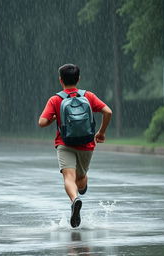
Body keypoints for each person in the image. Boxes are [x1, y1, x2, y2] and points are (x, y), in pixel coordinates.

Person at [38, 64, 112, 228]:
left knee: (69, 178)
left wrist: (54, 117)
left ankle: (75, 200)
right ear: (78, 79)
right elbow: (108, 112)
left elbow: (41, 122)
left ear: (60, 80)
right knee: (80, 178)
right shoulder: (89, 96)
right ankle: (81, 190)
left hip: (65, 143)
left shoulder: (56, 99)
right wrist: (101, 133)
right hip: (86, 144)